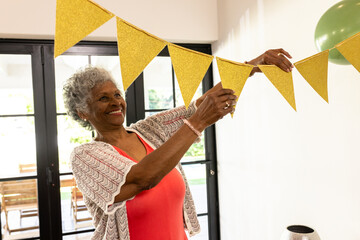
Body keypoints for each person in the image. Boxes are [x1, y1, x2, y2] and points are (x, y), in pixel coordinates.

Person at [63, 48, 293, 240]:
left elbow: (199, 104)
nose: (116, 102)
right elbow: (143, 178)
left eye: (117, 95)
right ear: (82, 112)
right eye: (103, 98)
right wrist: (198, 122)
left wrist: (254, 65)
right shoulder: (84, 156)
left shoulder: (148, 131)